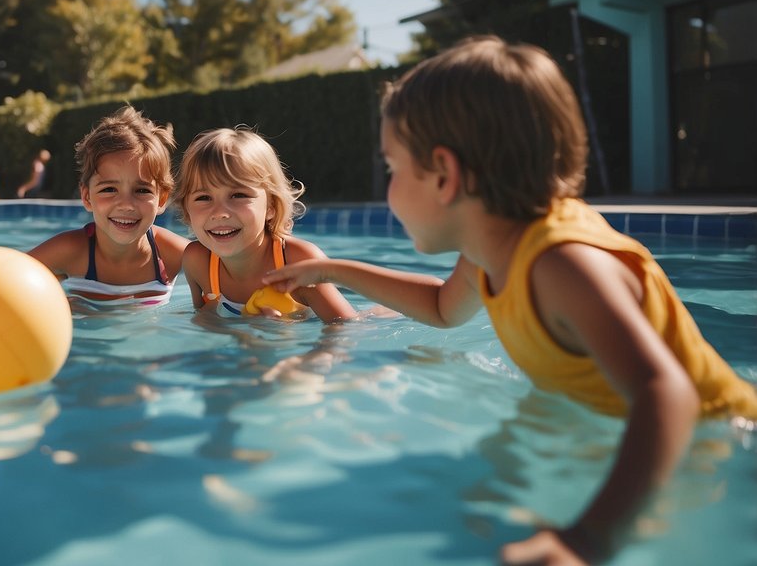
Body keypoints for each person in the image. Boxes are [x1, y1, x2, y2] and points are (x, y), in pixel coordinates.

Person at [261, 36, 757, 564]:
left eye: (393, 169)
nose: (389, 186)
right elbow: (442, 309)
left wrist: (587, 538)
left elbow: (667, 394)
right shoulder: (490, 251)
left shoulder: (563, 264)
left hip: (718, 445)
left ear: (445, 175)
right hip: (640, 434)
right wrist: (335, 270)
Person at [175, 126, 361, 324]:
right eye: (203, 198)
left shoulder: (299, 263)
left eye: (238, 195)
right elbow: (203, 320)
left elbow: (345, 328)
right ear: (187, 210)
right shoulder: (197, 261)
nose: (220, 212)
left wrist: (286, 341)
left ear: (271, 205)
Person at [27, 106, 188, 307]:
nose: (126, 205)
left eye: (142, 191)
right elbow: (4, 275)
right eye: (109, 189)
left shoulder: (175, 255)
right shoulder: (70, 251)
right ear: (86, 197)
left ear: (162, 199)